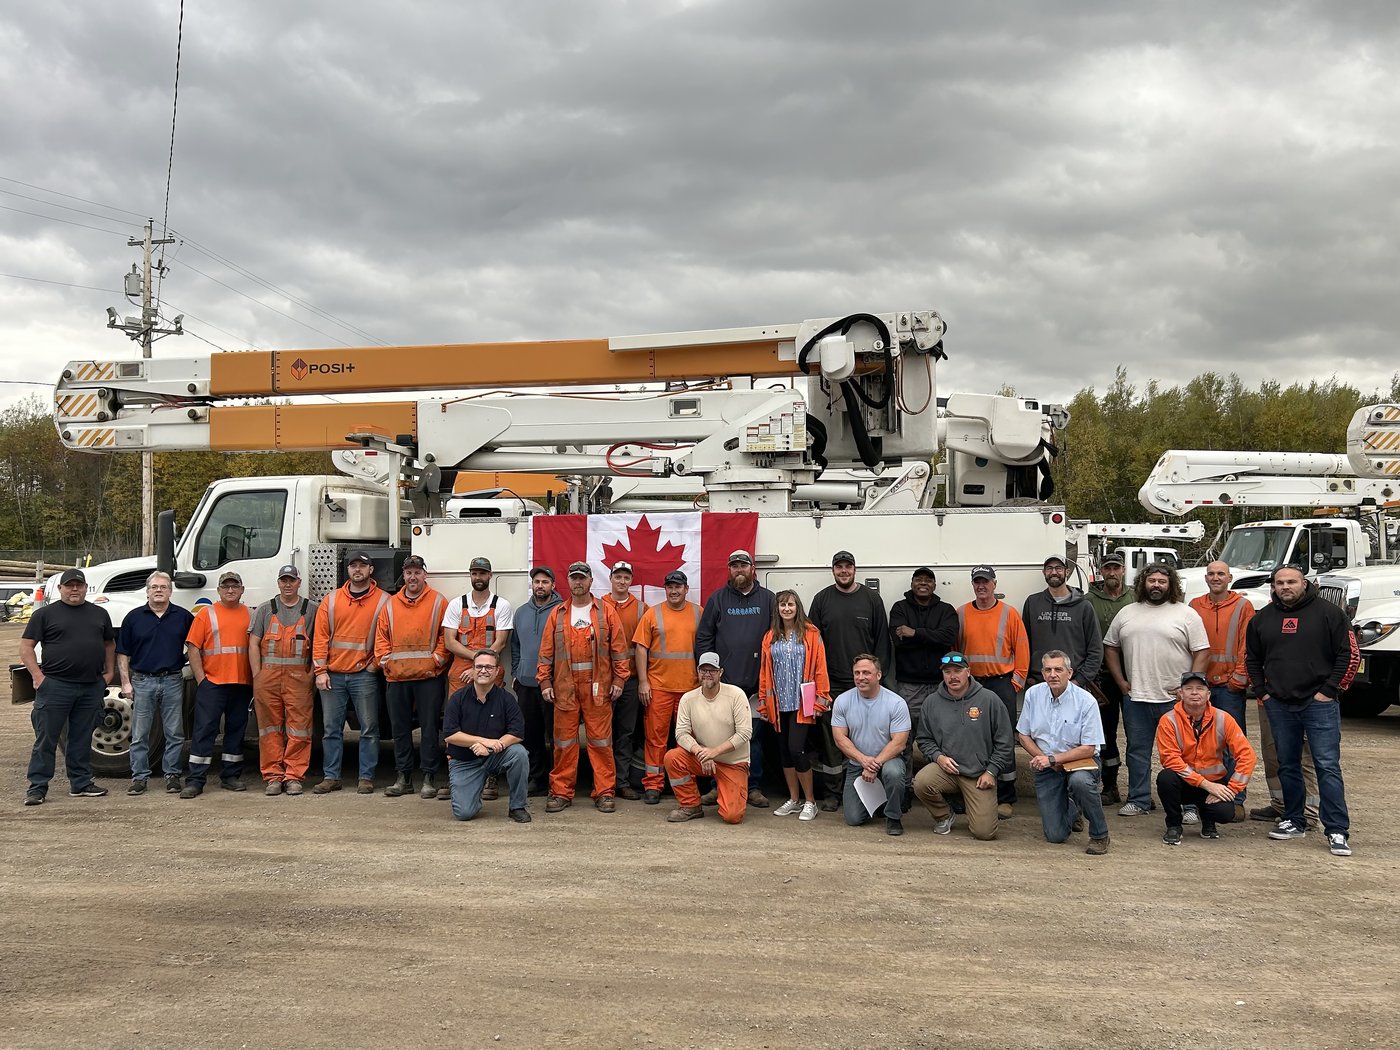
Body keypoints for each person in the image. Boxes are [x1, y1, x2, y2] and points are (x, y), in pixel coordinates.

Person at [1246, 564, 1356, 857]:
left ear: (1304, 583)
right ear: (1273, 586)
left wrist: (1329, 691)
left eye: (1291, 581)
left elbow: (1347, 654)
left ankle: (1336, 830)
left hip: (1318, 703)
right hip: (1279, 704)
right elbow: (1253, 659)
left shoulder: (1329, 613)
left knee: (1327, 765)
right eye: (1280, 582)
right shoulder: (1262, 619)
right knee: (1288, 764)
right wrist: (1262, 692)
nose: (1285, 587)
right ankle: (1294, 820)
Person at [1102, 562, 1209, 817]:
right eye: (1152, 581)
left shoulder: (1186, 613)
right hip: (1136, 696)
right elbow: (1110, 647)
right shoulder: (1127, 612)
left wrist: (1189, 687)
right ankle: (1139, 800)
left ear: (1171, 584)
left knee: (1184, 752)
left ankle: (1190, 804)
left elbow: (1202, 651)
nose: (1157, 585)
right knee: (1137, 751)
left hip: (1174, 700)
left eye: (1162, 581)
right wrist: (1120, 681)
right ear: (1142, 584)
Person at [538, 561, 629, 814]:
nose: (578, 582)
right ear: (568, 582)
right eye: (574, 578)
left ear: (590, 581)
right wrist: (545, 681)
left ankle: (604, 792)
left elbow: (619, 650)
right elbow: (546, 652)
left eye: (582, 578)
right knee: (564, 743)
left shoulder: (606, 612)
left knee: (601, 743)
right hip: (565, 689)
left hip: (598, 689)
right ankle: (560, 792)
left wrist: (620, 680)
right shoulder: (557, 614)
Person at [20, 568, 115, 806]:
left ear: (85, 588)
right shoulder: (45, 615)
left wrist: (109, 672)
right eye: (69, 585)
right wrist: (37, 676)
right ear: (61, 588)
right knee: (46, 739)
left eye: (79, 585)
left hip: (90, 686)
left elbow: (109, 644)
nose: (74, 589)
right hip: (55, 686)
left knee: (81, 738)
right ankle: (37, 787)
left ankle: (81, 783)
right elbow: (26, 646)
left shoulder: (99, 614)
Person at [808, 551, 893, 811]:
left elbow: (882, 641)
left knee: (869, 736)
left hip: (866, 684)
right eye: (839, 567)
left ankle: (872, 791)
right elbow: (813, 643)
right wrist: (815, 681)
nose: (843, 571)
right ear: (833, 570)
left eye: (848, 566)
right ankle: (833, 792)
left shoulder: (871, 599)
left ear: (855, 569)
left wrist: (879, 679)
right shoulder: (822, 600)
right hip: (831, 683)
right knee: (834, 739)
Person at [695, 549, 775, 808]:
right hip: (724, 686)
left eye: (743, 565)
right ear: (729, 570)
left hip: (756, 687)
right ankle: (715, 785)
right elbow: (704, 638)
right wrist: (709, 673)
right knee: (718, 737)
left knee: (753, 738)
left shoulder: (769, 599)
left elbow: (778, 637)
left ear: (753, 569)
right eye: (734, 566)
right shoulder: (717, 600)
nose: (739, 570)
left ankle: (753, 787)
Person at [912, 652, 1015, 841]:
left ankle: (976, 805)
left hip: (979, 774)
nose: (953, 676)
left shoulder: (989, 700)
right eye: (947, 672)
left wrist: (991, 771)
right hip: (947, 770)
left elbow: (1005, 742)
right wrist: (938, 757)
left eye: (958, 671)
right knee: (921, 782)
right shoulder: (931, 703)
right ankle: (944, 815)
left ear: (968, 672)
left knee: (984, 833)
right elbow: (924, 739)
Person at [1016, 650, 1111, 855]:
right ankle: (1071, 807)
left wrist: (1052, 759)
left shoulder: (1086, 701)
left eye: (1058, 669)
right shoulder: (1033, 694)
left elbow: (1088, 747)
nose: (1053, 674)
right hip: (1047, 764)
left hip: (1080, 761)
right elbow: (1023, 735)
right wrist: (1043, 759)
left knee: (1080, 782)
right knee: (1055, 836)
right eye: (1048, 670)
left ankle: (1099, 834)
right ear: (1042, 672)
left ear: (1069, 672)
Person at [311, 550, 390, 795]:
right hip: (332, 675)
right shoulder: (331, 600)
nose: (358, 570)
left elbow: (387, 637)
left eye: (362, 566)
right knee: (331, 729)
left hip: (364, 675)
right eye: (353, 565)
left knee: (369, 728)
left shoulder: (384, 601)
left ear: (371, 570)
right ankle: (331, 776)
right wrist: (320, 671)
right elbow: (320, 638)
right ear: (347, 570)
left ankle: (366, 778)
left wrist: (374, 665)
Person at [957, 565, 1029, 818]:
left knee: (1003, 739)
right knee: (970, 738)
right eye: (977, 582)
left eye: (986, 581)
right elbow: (955, 651)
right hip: (971, 684)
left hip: (1001, 683)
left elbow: (1022, 648)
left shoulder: (1009, 614)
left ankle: (1006, 797)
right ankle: (970, 792)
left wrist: (1016, 682)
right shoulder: (962, 613)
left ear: (994, 584)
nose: (981, 586)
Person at [375, 554, 449, 799]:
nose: (413, 577)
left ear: (424, 575)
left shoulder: (439, 602)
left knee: (429, 729)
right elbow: (381, 640)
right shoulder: (390, 604)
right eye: (409, 572)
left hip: (429, 677)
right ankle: (403, 777)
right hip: (397, 678)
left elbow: (445, 637)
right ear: (403, 575)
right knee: (400, 729)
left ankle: (428, 777)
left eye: (417, 572)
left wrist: (436, 661)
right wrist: (387, 663)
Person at [116, 570, 195, 796]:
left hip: (172, 680)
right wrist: (125, 683)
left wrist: (186, 664)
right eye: (154, 587)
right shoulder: (133, 618)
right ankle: (139, 778)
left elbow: (195, 646)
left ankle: (172, 775)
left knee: (175, 732)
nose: (158, 590)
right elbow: (123, 653)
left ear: (170, 591)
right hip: (142, 681)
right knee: (140, 734)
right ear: (147, 591)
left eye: (163, 587)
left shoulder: (183, 616)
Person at [1156, 670, 1257, 845]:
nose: (1194, 692)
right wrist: (1205, 784)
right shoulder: (1168, 720)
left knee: (1226, 814)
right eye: (1189, 688)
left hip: (1214, 783)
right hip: (1185, 783)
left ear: (1208, 694)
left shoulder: (1223, 718)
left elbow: (1247, 756)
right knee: (1165, 778)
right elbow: (1170, 759)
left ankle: (1208, 821)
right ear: (1181, 693)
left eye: (1200, 688)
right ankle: (1174, 824)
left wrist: (1232, 789)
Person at [442, 556, 513, 801]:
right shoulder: (456, 605)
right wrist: (476, 662)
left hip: (490, 668)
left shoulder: (501, 605)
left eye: (482, 573)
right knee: (457, 724)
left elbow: (501, 642)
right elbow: (449, 641)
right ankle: (456, 774)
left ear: (490, 576)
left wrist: (480, 668)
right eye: (474, 573)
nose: (478, 578)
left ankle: (491, 774)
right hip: (461, 670)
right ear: (470, 575)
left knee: (493, 723)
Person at [756, 589, 831, 821]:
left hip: (802, 703)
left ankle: (810, 802)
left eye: (790, 604)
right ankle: (794, 799)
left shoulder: (810, 634)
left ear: (797, 607)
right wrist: (763, 704)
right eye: (782, 605)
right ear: (776, 610)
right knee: (784, 753)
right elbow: (764, 674)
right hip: (778, 704)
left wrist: (821, 700)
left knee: (796, 749)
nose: (786, 609)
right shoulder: (770, 636)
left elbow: (820, 668)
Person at [1188, 560, 1256, 816]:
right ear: (1205, 578)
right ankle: (1197, 798)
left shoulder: (1242, 606)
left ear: (1229, 578)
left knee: (1231, 744)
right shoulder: (1195, 605)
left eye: (1220, 574)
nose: (1215, 578)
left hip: (1229, 687)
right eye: (1211, 574)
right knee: (1197, 743)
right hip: (1200, 687)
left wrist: (1240, 676)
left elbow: (1246, 643)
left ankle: (1235, 799)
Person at [888, 566, 959, 802]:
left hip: (941, 686)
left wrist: (915, 633)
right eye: (919, 579)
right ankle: (906, 789)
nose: (923, 583)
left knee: (943, 740)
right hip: (909, 685)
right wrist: (930, 637)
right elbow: (898, 640)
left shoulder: (946, 610)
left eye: (928, 580)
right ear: (912, 584)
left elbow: (948, 639)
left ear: (934, 585)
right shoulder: (900, 608)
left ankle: (940, 788)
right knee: (904, 740)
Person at [181, 570, 254, 799]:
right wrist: (202, 679)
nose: (230, 590)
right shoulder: (206, 614)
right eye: (226, 587)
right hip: (213, 682)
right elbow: (193, 648)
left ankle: (230, 776)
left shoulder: (252, 614)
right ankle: (195, 780)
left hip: (242, 683)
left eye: (235, 586)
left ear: (242, 590)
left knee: (236, 731)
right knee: (205, 730)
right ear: (219, 590)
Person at [249, 565, 319, 797]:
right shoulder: (265, 610)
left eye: (292, 580)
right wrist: (257, 675)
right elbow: (253, 643)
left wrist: (312, 674)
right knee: (269, 729)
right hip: (267, 680)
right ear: (278, 583)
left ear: (299, 582)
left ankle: (294, 776)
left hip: (299, 680)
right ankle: (273, 777)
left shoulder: (311, 610)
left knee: (299, 729)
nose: (287, 584)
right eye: (283, 580)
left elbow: (319, 644)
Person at [633, 570, 701, 805]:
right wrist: (643, 681)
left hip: (690, 690)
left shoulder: (698, 612)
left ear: (686, 589)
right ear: (665, 589)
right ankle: (653, 784)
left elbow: (705, 646)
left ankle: (686, 783)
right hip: (659, 687)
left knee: (688, 739)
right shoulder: (653, 613)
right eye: (670, 587)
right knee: (655, 739)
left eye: (678, 587)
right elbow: (641, 648)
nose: (674, 591)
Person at [662, 652, 753, 824]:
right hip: (703, 758)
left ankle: (727, 791)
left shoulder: (736, 695)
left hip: (733, 763)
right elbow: (681, 733)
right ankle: (690, 805)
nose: (707, 674)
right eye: (703, 670)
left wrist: (714, 752)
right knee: (672, 758)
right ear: (697, 671)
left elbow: (745, 733)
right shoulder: (688, 699)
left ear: (721, 672)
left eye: (712, 670)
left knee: (732, 817)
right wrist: (700, 751)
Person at [442, 649, 531, 823]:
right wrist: (482, 741)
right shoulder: (458, 698)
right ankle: (473, 791)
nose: (483, 671)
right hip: (464, 762)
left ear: (497, 671)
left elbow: (517, 733)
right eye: (479, 666)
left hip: (495, 756)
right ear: (472, 670)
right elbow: (450, 734)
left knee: (519, 754)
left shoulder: (507, 700)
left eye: (489, 667)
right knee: (464, 814)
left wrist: (493, 746)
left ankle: (517, 806)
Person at [831, 654, 910, 836]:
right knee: (853, 819)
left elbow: (899, 743)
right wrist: (863, 760)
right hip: (858, 764)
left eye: (866, 672)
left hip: (889, 760)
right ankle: (880, 800)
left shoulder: (896, 703)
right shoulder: (843, 701)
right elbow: (839, 739)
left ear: (879, 675)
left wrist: (875, 764)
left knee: (894, 772)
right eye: (857, 673)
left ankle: (893, 817)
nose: (860, 677)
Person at [509, 567, 562, 796]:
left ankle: (556, 781)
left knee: (556, 735)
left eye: (545, 582)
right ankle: (536, 779)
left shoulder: (562, 611)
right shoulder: (521, 612)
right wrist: (516, 673)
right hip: (526, 684)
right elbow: (515, 646)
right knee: (531, 735)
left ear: (553, 585)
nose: (540, 586)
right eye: (537, 582)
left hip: (553, 685)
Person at [1085, 552, 1133, 804]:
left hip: (1136, 675)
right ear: (1101, 572)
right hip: (1103, 678)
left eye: (1116, 568)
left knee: (1137, 735)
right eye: (1108, 569)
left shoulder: (1136, 596)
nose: (1112, 573)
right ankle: (1110, 785)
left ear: (1123, 570)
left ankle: (1138, 791)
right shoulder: (1090, 600)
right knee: (1106, 732)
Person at [1022, 555, 1103, 690]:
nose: (1054, 572)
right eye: (1049, 568)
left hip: (1073, 683)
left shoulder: (1083, 606)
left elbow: (1096, 649)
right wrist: (1029, 676)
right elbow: (1023, 643)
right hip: (1039, 683)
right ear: (1044, 572)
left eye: (1059, 568)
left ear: (1067, 572)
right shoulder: (1032, 603)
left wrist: (1080, 680)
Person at [602, 561, 644, 799]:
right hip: (603, 680)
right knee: (602, 733)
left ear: (631, 581)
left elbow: (643, 648)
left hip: (630, 681)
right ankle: (604, 782)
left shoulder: (641, 609)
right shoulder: (597, 605)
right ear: (610, 579)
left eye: (626, 577)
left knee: (626, 733)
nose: (622, 581)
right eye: (617, 576)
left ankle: (622, 781)